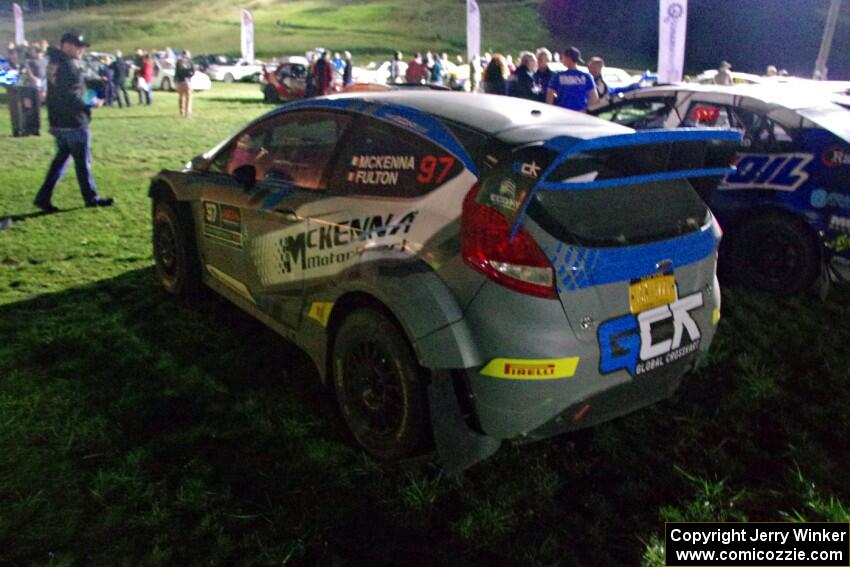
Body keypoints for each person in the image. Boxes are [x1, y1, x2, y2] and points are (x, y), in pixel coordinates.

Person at [34, 32, 113, 213]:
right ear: (67, 46)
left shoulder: (55, 62)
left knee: (61, 161)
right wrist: (93, 102)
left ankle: (43, 197)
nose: (81, 50)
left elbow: (67, 88)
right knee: (81, 162)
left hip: (58, 120)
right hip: (73, 120)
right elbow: (72, 95)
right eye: (79, 46)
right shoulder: (68, 65)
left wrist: (93, 83)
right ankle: (90, 198)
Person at [546, 46, 597, 111]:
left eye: (563, 57)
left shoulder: (558, 76)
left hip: (562, 112)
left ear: (568, 58)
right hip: (581, 113)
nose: (562, 60)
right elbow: (594, 98)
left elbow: (549, 95)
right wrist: (587, 111)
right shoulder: (587, 77)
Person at [175, 50, 195, 117]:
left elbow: (176, 72)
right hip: (188, 82)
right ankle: (187, 112)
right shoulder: (189, 61)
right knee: (188, 98)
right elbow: (193, 71)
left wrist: (176, 81)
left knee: (181, 97)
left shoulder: (178, 62)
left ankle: (181, 111)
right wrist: (190, 75)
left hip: (180, 81)